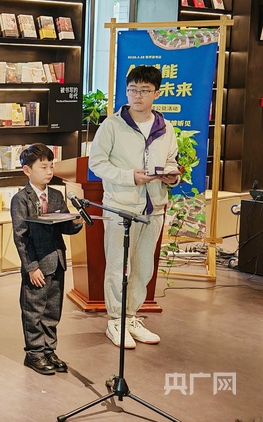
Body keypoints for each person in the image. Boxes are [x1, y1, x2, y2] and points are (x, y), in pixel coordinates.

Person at [89, 65, 180, 348]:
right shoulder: (112, 125)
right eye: (132, 90)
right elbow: (97, 163)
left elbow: (172, 160)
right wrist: (130, 177)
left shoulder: (165, 127)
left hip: (154, 206)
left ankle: (131, 317)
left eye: (144, 90)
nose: (137, 96)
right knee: (118, 265)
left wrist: (173, 176)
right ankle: (115, 321)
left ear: (157, 93)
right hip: (121, 206)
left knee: (143, 267)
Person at [11, 143, 83, 375]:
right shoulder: (21, 199)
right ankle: (34, 353)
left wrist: (77, 221)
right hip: (37, 265)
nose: (49, 171)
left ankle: (49, 350)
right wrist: (31, 267)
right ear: (27, 170)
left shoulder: (56, 195)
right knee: (34, 310)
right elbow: (21, 237)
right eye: (43, 167)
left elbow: (63, 227)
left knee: (53, 310)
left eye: (51, 166)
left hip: (57, 260)